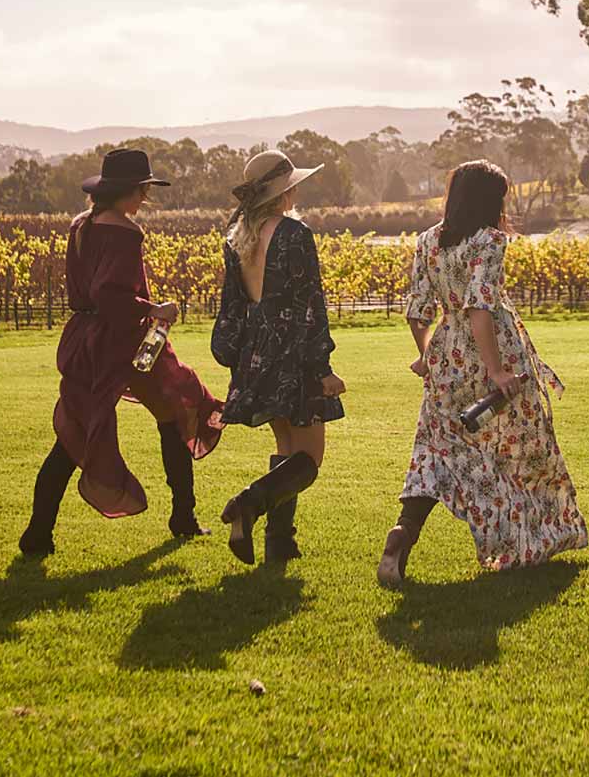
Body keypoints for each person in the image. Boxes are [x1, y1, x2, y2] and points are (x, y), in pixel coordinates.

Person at [377, 160, 586, 587]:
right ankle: (532, 539)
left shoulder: (427, 241)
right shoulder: (489, 240)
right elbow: (480, 306)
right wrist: (495, 370)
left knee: (435, 450)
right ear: (490, 200)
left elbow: (419, 310)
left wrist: (426, 355)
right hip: (493, 350)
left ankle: (404, 532)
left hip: (446, 356)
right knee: (522, 449)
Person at [18, 148, 224, 557]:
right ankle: (182, 516)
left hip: (87, 338)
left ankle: (38, 534)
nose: (145, 200)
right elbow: (111, 294)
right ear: (127, 192)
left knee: (80, 431)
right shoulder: (126, 232)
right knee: (178, 407)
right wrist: (155, 309)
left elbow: (92, 292)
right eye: (142, 191)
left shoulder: (81, 225)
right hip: (121, 338)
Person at [211, 149, 347, 565]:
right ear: (283, 192)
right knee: (309, 458)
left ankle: (280, 542)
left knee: (287, 445)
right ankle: (248, 504)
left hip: (256, 350)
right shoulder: (293, 234)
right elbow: (310, 305)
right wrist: (322, 368)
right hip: (293, 352)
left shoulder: (236, 237)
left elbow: (232, 306)